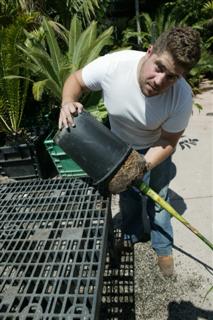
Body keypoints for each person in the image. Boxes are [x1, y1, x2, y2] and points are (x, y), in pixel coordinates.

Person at [58, 27, 201, 276]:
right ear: (149, 52)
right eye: (159, 68)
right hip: (118, 146)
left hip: (155, 146)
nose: (160, 82)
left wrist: (143, 165)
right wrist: (67, 101)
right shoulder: (115, 66)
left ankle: (163, 246)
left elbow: (168, 140)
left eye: (172, 77)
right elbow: (76, 80)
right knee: (129, 196)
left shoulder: (181, 97)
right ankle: (133, 234)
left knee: (159, 198)